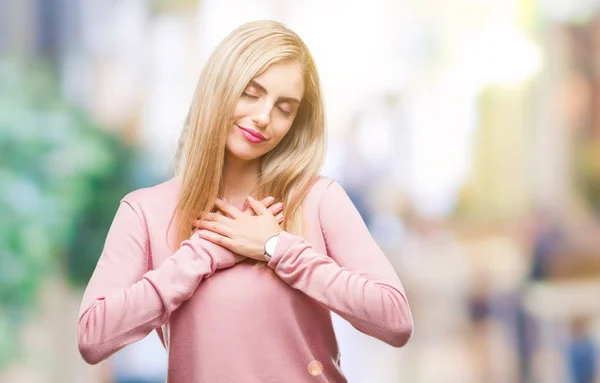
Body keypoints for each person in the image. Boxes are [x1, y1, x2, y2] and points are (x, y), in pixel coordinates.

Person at [77, 20, 413, 382]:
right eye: (251, 93)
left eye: (284, 108)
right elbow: (93, 338)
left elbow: (395, 320)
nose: (264, 117)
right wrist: (202, 253)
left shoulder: (317, 200)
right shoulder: (146, 212)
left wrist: (276, 247)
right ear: (220, 88)